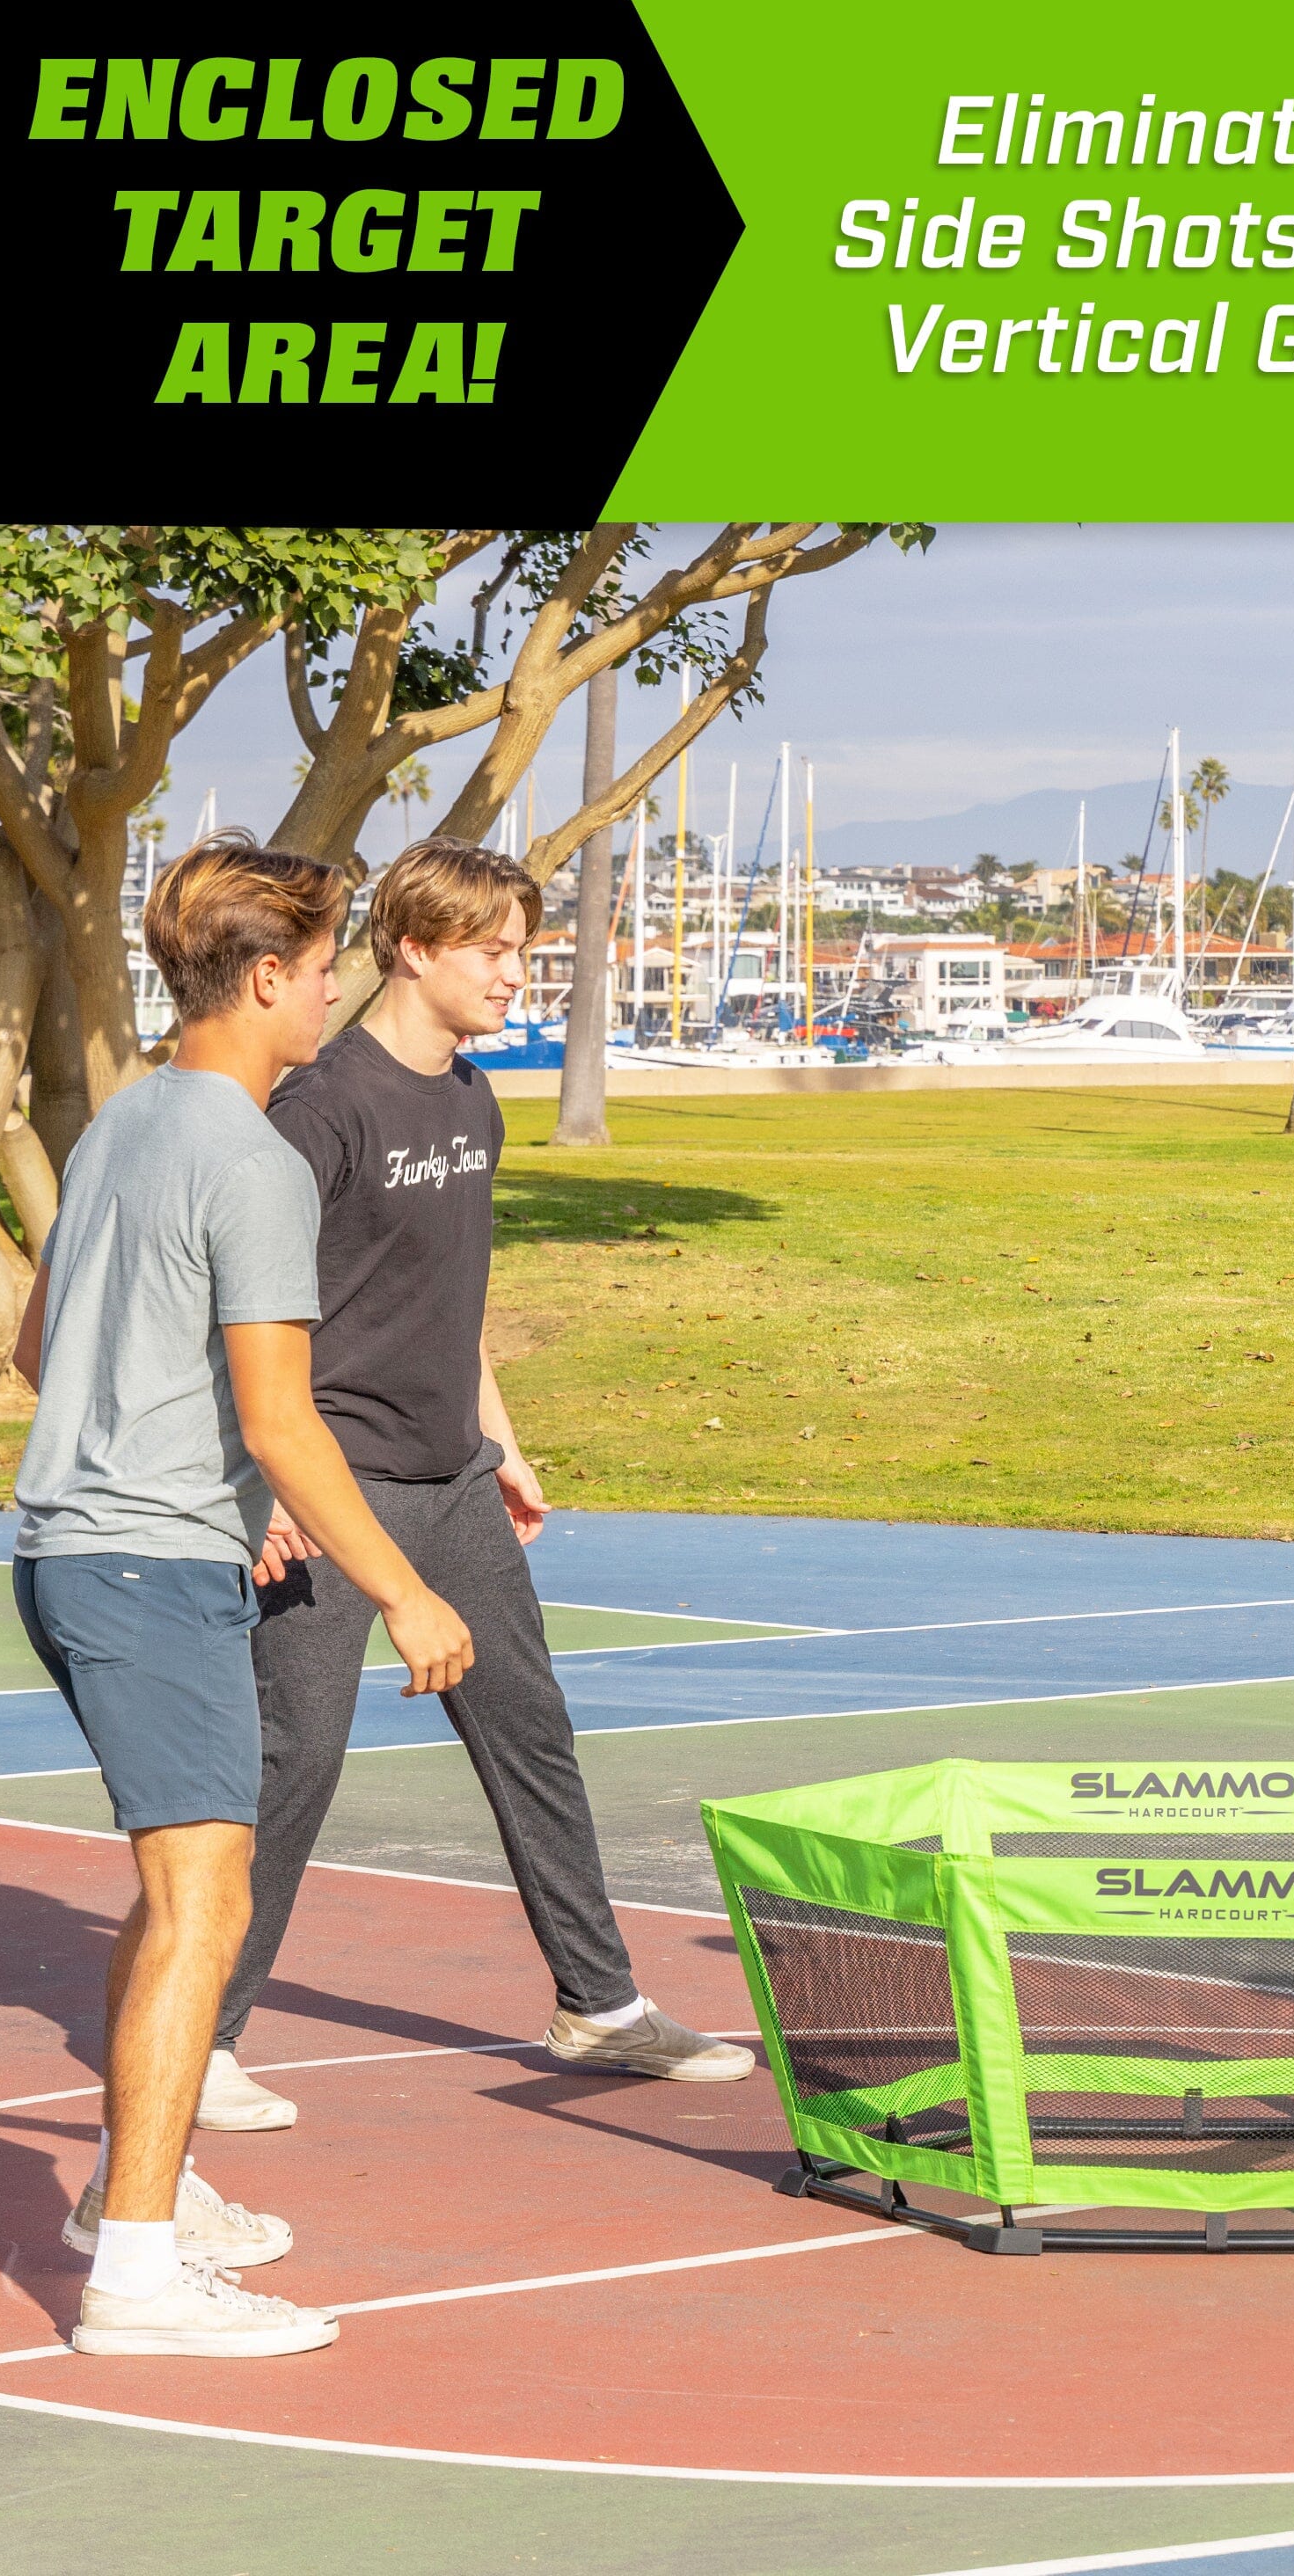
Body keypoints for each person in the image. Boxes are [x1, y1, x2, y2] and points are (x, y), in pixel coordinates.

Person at [201, 836, 749, 2137]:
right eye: (493, 950)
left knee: (531, 1732)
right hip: (332, 1485)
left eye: (521, 950)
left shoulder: (473, 1100)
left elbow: (458, 1296)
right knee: (295, 1760)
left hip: (452, 1480)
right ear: (414, 948)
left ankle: (599, 2005)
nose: (515, 973)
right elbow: (234, 1310)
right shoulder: (320, 1107)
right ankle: (204, 2035)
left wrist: (500, 1439)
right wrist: (253, 1491)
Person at [13, 835, 473, 2357]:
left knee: (179, 1902)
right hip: (146, 1570)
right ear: (268, 978)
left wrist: (194, 1466)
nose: (336, 994)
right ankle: (135, 2285)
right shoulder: (259, 1161)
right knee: (205, 1907)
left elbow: (38, 1351)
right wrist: (405, 1591)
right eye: (327, 969)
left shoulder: (125, 1120)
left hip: (70, 1553)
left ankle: (125, 2202)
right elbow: (286, 1422)